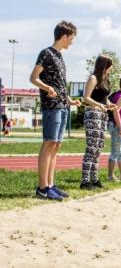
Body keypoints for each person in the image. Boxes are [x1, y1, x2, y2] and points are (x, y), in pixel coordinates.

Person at [29, 20, 81, 201]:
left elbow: (60, 85)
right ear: (64, 36)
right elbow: (33, 78)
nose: (72, 42)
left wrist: (69, 100)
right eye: (72, 38)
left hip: (62, 106)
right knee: (49, 144)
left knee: (56, 146)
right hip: (51, 107)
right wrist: (47, 88)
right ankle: (42, 188)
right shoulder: (46, 53)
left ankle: (51, 185)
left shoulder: (60, 56)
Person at [80, 55, 117, 190]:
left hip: (102, 115)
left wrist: (110, 104)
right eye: (110, 65)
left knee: (99, 148)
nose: (112, 68)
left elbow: (103, 98)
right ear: (105, 65)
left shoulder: (106, 80)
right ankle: (85, 181)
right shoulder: (93, 78)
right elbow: (86, 98)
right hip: (93, 114)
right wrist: (98, 105)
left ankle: (95, 179)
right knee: (92, 148)